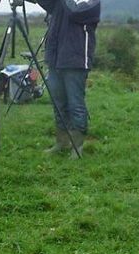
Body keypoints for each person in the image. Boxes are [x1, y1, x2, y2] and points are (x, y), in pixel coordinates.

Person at [33, 0, 101, 159]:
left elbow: (75, 12)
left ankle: (77, 147)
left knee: (75, 104)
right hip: (56, 57)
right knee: (58, 103)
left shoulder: (92, 3)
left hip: (75, 60)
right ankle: (62, 142)